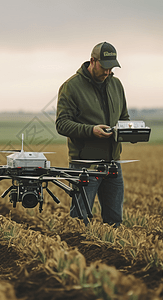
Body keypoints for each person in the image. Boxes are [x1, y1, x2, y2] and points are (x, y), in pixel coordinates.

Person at [55, 42, 130, 227]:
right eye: (104, 67)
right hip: (84, 165)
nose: (108, 72)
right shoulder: (71, 87)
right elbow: (62, 124)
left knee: (115, 222)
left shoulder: (116, 84)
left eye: (111, 67)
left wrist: (129, 132)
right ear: (93, 61)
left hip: (113, 163)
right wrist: (91, 131)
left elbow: (124, 117)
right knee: (80, 222)